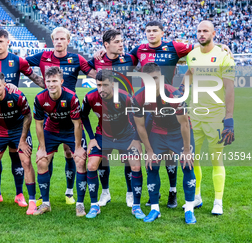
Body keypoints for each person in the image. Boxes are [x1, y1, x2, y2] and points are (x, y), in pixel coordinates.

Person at [95, 20, 232, 208]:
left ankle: (173, 191)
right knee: (149, 152)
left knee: (169, 154)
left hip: (169, 106)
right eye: (148, 30)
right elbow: (120, 59)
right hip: (146, 107)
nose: (151, 33)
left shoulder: (174, 47)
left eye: (154, 30)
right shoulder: (138, 50)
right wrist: (101, 52)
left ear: (162, 32)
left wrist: (221, 46)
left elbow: (201, 45)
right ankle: (153, 194)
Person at [26, 27, 96, 206]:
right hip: (51, 114)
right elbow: (21, 64)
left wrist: (102, 58)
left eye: (62, 39)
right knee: (45, 157)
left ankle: (69, 192)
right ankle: (44, 196)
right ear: (52, 40)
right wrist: (38, 80)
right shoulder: (43, 56)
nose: (58, 42)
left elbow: (94, 73)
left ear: (68, 41)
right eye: (55, 39)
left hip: (71, 113)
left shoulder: (76, 59)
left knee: (70, 153)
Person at [0, 29, 44, 206]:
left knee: (18, 157)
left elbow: (36, 79)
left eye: (1, 41)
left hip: (15, 114)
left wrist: (56, 92)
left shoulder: (17, 61)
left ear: (8, 42)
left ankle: (19, 194)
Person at [132, 62, 196, 224]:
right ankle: (155, 209)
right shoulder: (138, 97)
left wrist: (187, 150)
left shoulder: (174, 95)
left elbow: (184, 124)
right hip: (158, 132)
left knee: (187, 165)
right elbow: (140, 126)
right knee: (151, 165)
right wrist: (149, 149)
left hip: (179, 132)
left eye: (154, 78)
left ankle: (189, 209)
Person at [183, 20, 235, 215]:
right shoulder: (192, 55)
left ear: (214, 33)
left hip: (216, 117)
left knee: (216, 160)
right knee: (193, 160)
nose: (201, 33)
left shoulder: (224, 57)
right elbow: (189, 73)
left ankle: (218, 201)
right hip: (194, 116)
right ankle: (196, 197)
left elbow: (230, 88)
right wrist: (181, 90)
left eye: (205, 31)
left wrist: (228, 118)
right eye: (199, 31)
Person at [81, 69, 144, 219]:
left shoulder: (125, 97)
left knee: (135, 166)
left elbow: (139, 118)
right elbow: (83, 116)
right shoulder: (90, 96)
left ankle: (136, 206)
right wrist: (92, 137)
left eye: (105, 85)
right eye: (98, 85)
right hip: (103, 135)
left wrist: (136, 139)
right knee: (91, 165)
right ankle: (94, 205)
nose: (101, 89)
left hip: (126, 135)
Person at [87, 29, 138, 208]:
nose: (121, 44)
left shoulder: (130, 58)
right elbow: (84, 66)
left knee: (129, 159)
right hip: (106, 116)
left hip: (126, 115)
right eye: (117, 41)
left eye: (122, 41)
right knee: (103, 157)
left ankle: (130, 193)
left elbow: (151, 54)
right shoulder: (97, 60)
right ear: (106, 45)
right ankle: (105, 192)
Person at [0, 71, 37, 214]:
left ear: (4, 85)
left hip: (18, 131)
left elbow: (28, 116)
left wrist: (22, 140)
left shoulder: (17, 96)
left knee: (26, 161)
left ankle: (32, 201)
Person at [33, 66, 87, 216]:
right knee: (42, 161)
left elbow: (77, 124)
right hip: (51, 130)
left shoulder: (71, 97)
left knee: (81, 161)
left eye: (54, 81)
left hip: (71, 130)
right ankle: (45, 203)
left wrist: (78, 148)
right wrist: (42, 148)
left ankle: (80, 204)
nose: (51, 84)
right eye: (48, 81)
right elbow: (38, 124)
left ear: (61, 81)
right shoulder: (40, 98)